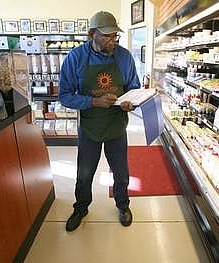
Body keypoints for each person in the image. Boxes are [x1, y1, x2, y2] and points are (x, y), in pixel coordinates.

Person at [59, 11, 141, 232]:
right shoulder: (75, 58)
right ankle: (81, 208)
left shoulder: (124, 57)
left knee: (121, 173)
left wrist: (130, 102)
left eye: (115, 36)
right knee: (84, 174)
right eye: (106, 36)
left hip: (116, 125)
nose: (112, 41)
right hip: (90, 127)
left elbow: (134, 88)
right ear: (91, 34)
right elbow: (65, 95)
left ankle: (123, 205)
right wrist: (94, 101)